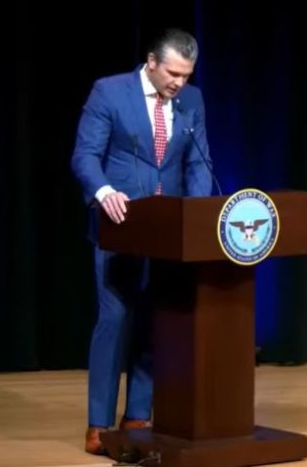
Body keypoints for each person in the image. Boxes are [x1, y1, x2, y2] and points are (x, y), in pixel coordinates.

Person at [70, 28, 214, 455]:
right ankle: (98, 424)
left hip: (170, 231)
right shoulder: (109, 92)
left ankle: (137, 414)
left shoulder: (192, 100)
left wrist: (196, 215)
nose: (179, 83)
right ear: (151, 62)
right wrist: (103, 192)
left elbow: (198, 162)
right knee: (114, 320)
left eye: (186, 75)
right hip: (120, 226)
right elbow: (84, 156)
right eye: (173, 74)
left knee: (156, 318)